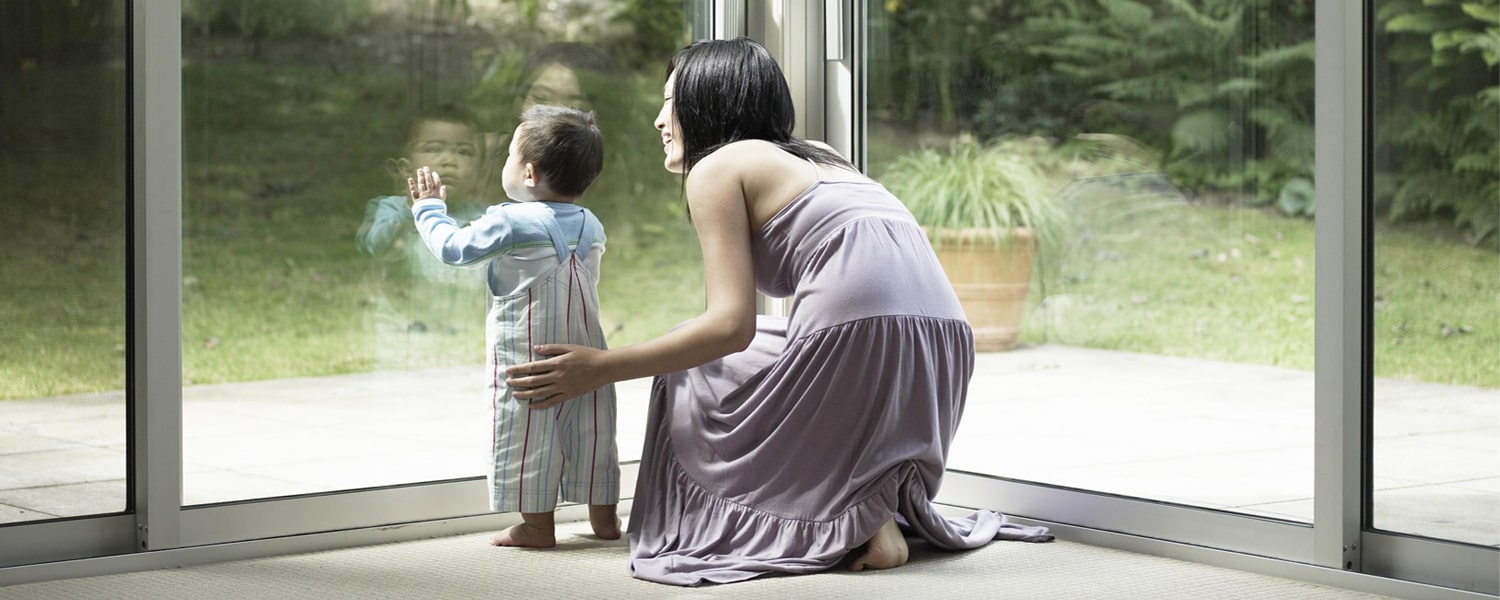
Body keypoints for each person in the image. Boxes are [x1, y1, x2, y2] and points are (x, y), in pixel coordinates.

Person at [503, 38, 1052, 586]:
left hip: (858, 337)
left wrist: (601, 367)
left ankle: (845, 519)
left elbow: (729, 327)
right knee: (737, 353)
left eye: (669, 101)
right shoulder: (818, 155)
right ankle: (870, 508)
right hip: (944, 344)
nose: (658, 120)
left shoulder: (717, 167)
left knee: (691, 360)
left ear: (704, 102)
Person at [407, 105, 620, 548]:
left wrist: (429, 209)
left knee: (528, 436)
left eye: (506, 155)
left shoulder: (510, 221)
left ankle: (538, 528)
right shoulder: (591, 224)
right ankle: (605, 523)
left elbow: (454, 249)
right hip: (589, 358)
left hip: (531, 361)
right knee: (593, 433)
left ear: (528, 173)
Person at [356, 103, 490, 366]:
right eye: (433, 148)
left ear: (478, 170)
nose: (449, 160)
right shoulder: (390, 209)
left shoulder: (486, 218)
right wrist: (411, 207)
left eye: (463, 151)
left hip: (462, 335)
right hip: (401, 336)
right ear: (403, 169)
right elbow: (375, 247)